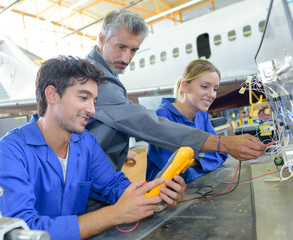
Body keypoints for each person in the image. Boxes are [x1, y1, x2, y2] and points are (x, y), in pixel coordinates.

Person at [0, 56, 186, 240]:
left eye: (94, 100)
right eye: (83, 97)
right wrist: (115, 213)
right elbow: (22, 232)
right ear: (52, 95)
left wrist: (156, 194)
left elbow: (114, 186)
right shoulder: (9, 152)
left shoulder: (84, 142)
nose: (92, 110)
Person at [85, 10, 265, 173]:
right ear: (101, 39)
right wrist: (222, 143)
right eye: (121, 47)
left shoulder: (107, 73)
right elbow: (143, 124)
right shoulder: (93, 77)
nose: (126, 58)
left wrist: (116, 151)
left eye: (133, 50)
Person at [147, 60, 228, 183]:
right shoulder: (163, 116)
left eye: (215, 89)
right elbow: (172, 172)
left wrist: (193, 161)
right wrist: (205, 162)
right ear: (185, 86)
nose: (212, 94)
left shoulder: (202, 115)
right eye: (204, 87)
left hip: (196, 186)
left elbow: (221, 154)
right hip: (163, 194)